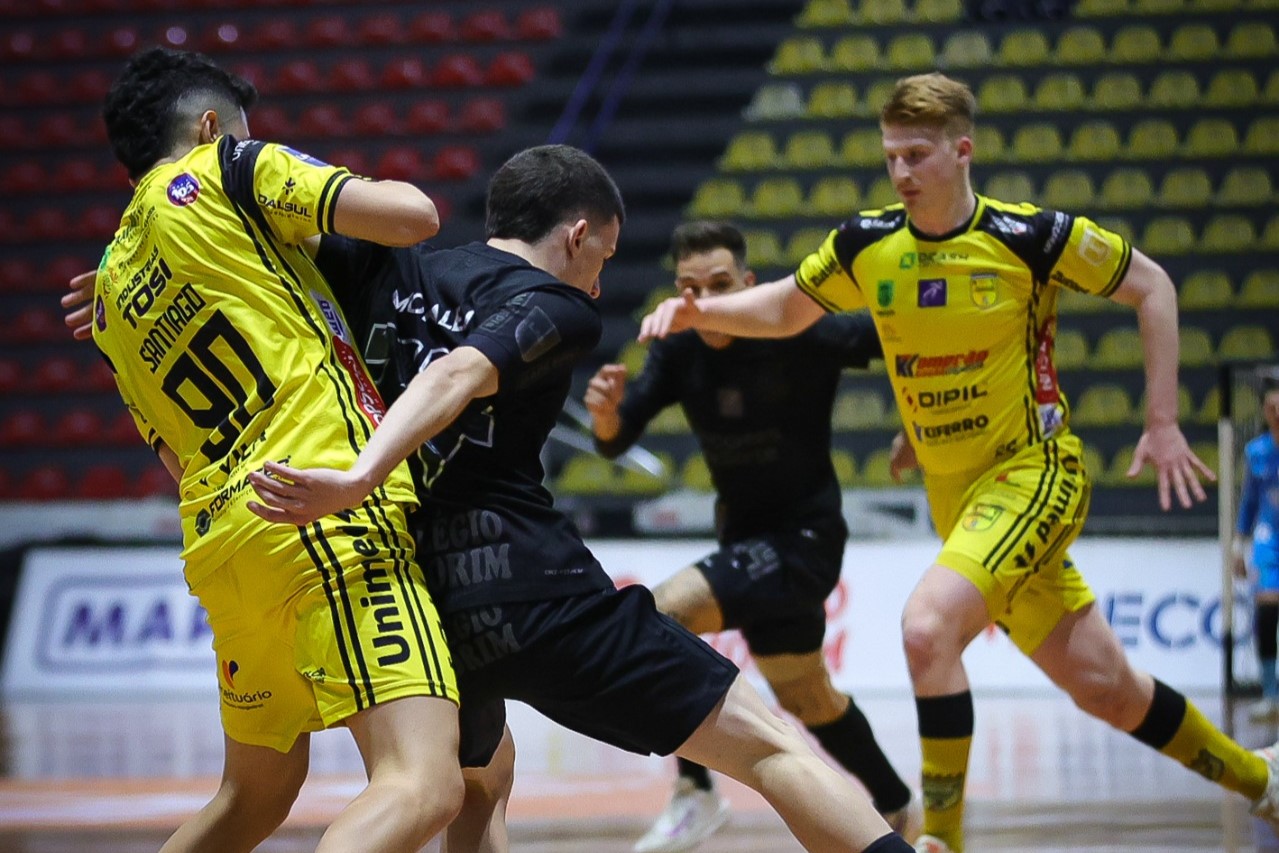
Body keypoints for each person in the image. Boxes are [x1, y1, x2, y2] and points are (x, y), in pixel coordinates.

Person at [636, 72, 1279, 853]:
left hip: (1035, 474)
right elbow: (782, 309)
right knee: (1106, 689)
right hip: (961, 502)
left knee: (925, 627)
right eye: (890, 157)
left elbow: (1152, 285)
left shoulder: (1027, 237)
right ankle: (1262, 782)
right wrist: (701, 310)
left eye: (916, 154)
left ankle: (939, 839)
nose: (901, 173)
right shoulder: (867, 245)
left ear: (960, 150)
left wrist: (1162, 419)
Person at [242, 144, 915, 853]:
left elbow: (258, 224)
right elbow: (461, 373)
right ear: (575, 235)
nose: (597, 283)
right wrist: (360, 477)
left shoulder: (386, 266)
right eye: (603, 255)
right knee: (774, 746)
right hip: (538, 596)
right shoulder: (555, 303)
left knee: (479, 781)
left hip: (429, 608)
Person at [88, 47, 463, 853]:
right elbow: (413, 215)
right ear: (212, 125)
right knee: (423, 781)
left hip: (227, 551)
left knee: (249, 799)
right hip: (324, 507)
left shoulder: (112, 292)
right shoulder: (230, 165)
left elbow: (173, 459)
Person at [584, 220, 920, 853]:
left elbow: (902, 337)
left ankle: (697, 795)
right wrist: (606, 416)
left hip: (805, 540)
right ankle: (899, 807)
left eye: (718, 285)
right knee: (809, 697)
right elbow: (618, 438)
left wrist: (916, 424)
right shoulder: (679, 348)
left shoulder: (802, 331)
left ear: (749, 286)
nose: (702, 302)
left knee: (659, 616)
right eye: (689, 289)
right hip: (746, 540)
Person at [1235, 382, 1279, 722]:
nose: (1276, 414)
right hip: (1269, 538)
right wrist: (1239, 544)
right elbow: (1249, 502)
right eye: (1271, 408)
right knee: (1266, 608)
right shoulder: (1257, 452)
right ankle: (1270, 693)